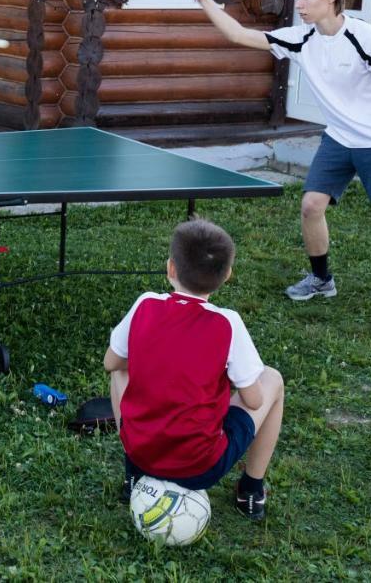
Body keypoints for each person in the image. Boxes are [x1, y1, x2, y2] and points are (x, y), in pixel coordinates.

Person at [189, 0, 371, 324]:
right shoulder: (301, 38)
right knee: (311, 205)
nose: (299, 2)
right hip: (339, 138)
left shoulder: (366, 38)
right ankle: (321, 279)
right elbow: (239, 35)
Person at [103, 219, 284, 522]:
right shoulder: (228, 323)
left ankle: (133, 475)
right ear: (227, 275)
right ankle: (251, 490)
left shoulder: (145, 304)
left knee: (122, 371)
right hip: (201, 468)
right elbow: (253, 400)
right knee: (273, 380)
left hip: (142, 452)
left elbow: (112, 363)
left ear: (170, 268)